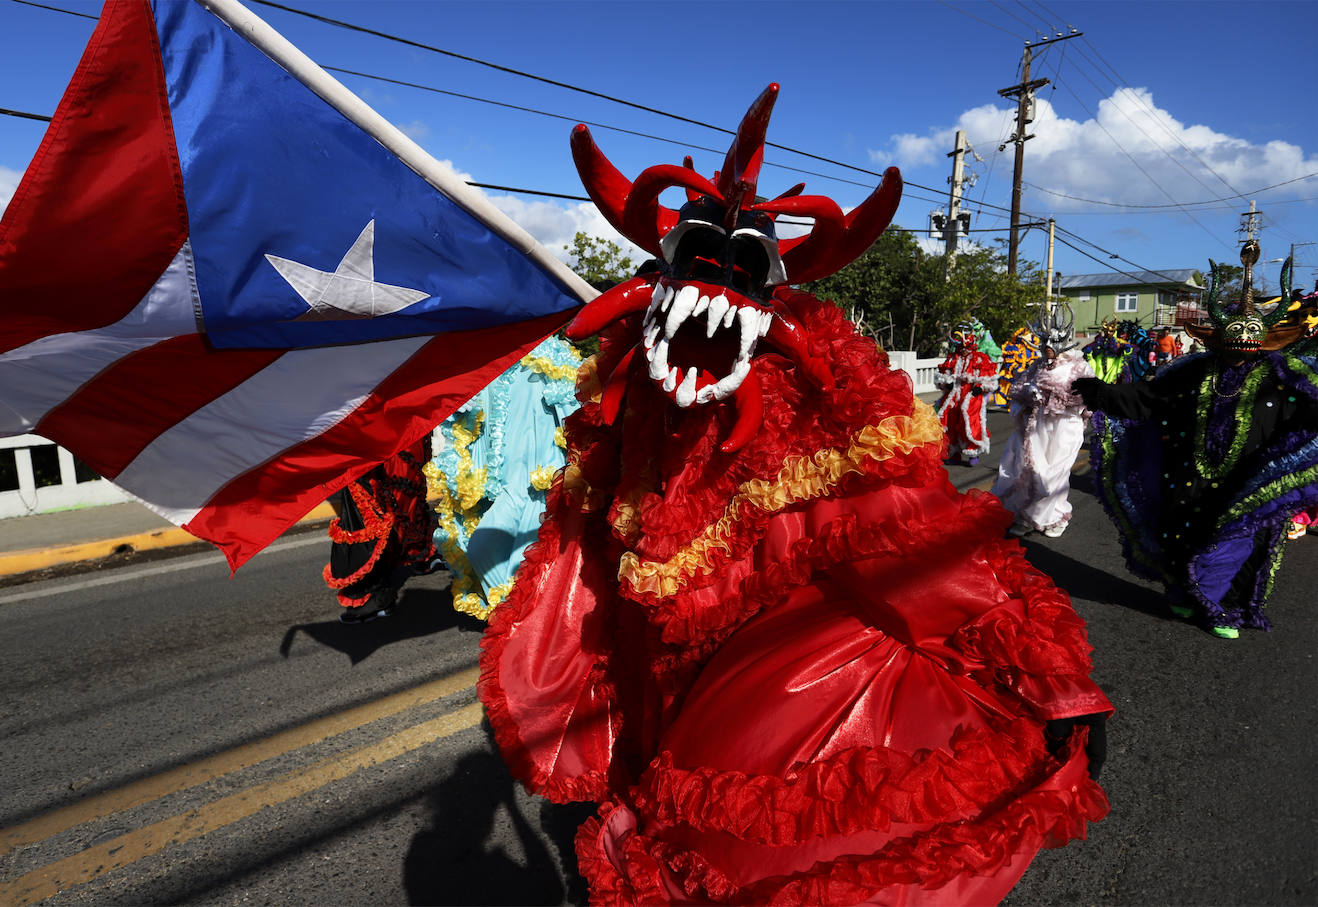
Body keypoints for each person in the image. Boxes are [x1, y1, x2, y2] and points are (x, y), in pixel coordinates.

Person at [480, 85, 1111, 906]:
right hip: (665, 658)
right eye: (699, 262)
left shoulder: (809, 390)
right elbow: (595, 523)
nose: (716, 286)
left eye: (740, 268)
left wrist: (1049, 678)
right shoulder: (633, 383)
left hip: (772, 670)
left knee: (749, 852)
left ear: (769, 294)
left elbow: (906, 538)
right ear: (659, 277)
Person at [1074, 244, 1318, 639]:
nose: (1239, 355)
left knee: (1232, 541)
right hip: (1187, 473)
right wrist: (1099, 391)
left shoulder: (1283, 376)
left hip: (1246, 477)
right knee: (1178, 532)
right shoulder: (1192, 372)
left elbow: (1309, 411)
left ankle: (1219, 606)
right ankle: (1183, 592)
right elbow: (1148, 399)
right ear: (1218, 341)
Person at [423, 334, 583, 619]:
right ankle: (521, 623)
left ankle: (529, 628)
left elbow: (578, 416)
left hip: (544, 486)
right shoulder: (490, 369)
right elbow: (474, 428)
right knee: (484, 549)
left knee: (536, 565)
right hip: (511, 489)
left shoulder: (550, 358)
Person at [992, 304, 1095, 538]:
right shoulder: (1037, 366)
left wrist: (1057, 398)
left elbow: (1089, 398)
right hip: (1036, 427)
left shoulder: (1079, 367)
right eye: (1044, 342)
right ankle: (1025, 515)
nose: (1046, 348)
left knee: (1054, 475)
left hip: (1065, 428)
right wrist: (1029, 397)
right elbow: (1018, 389)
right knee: (1028, 469)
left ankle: (1054, 516)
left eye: (1051, 342)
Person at [323, 437, 439, 623]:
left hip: (391, 427)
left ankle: (414, 555)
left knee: (401, 485)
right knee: (369, 498)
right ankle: (374, 588)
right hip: (367, 431)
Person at [934, 322, 998, 466]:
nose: (963, 350)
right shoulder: (952, 358)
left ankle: (972, 453)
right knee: (949, 423)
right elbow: (942, 376)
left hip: (971, 397)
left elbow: (990, 380)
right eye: (961, 347)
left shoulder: (979, 359)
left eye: (965, 347)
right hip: (953, 396)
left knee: (970, 423)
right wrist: (947, 382)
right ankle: (953, 453)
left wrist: (980, 388)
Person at [1083, 317, 1127, 383]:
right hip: (1100, 363)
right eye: (1107, 331)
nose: (1109, 333)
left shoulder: (1119, 342)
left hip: (1113, 364)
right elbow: (1090, 350)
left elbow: (1126, 352)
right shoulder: (1099, 340)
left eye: (1111, 331)